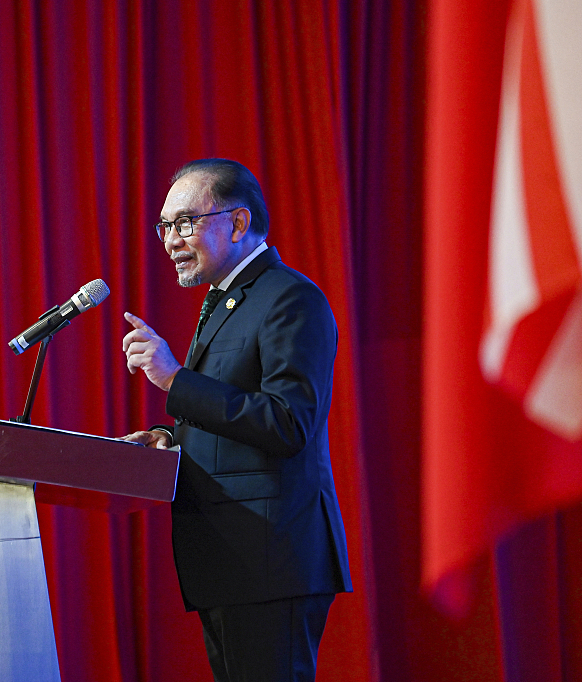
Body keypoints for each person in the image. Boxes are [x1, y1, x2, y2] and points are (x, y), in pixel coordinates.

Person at [122, 159, 352, 682]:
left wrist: (175, 381)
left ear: (239, 222)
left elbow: (289, 423)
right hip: (230, 560)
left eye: (185, 222)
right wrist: (167, 439)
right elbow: (234, 418)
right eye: (164, 226)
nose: (171, 240)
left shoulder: (290, 298)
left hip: (270, 556)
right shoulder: (227, 300)